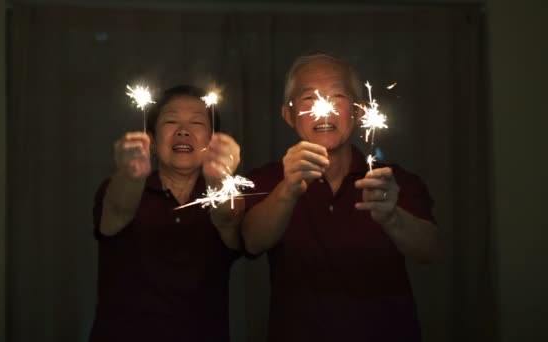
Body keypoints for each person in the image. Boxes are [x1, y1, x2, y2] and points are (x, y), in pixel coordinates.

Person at [242, 53, 440, 341]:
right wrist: (288, 189)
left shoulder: (390, 180)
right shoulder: (268, 179)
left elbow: (431, 251)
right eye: (309, 98)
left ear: (359, 112)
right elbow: (252, 240)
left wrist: (392, 217)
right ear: (288, 114)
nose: (325, 110)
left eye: (337, 97)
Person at [89, 85, 243, 342]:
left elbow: (229, 222)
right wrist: (130, 174)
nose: (183, 130)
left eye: (196, 123)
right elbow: (117, 211)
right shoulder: (121, 188)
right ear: (150, 140)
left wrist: (221, 179)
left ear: (213, 141)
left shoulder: (226, 194)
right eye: (171, 121)